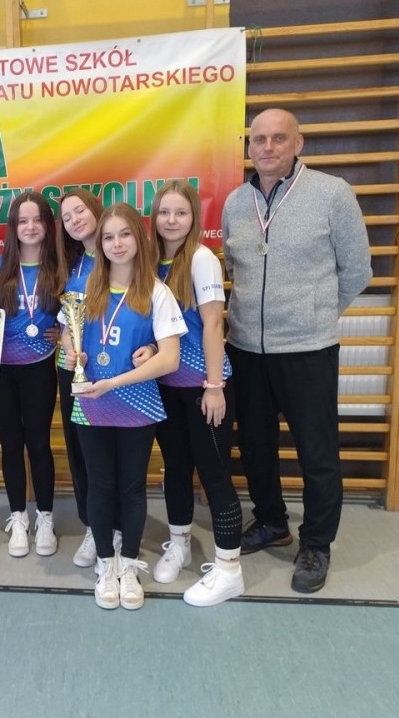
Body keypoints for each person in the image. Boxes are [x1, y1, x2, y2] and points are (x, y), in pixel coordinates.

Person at [221, 108, 372, 594]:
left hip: (308, 348)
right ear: (249, 146)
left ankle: (316, 544)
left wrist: (316, 313)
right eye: (259, 139)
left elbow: (357, 270)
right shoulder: (235, 202)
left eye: (278, 138)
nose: (267, 147)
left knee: (317, 452)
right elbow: (235, 268)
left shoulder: (332, 194)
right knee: (256, 446)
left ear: (298, 143)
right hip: (246, 347)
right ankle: (271, 521)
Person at [60, 202, 186, 611]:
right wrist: (73, 354)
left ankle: (128, 565)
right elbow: (67, 336)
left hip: (136, 403)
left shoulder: (156, 292)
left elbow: (170, 359)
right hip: (91, 404)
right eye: (109, 237)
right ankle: (105, 562)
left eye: (125, 234)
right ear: (99, 243)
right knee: (100, 484)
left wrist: (115, 382)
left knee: (132, 487)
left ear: (139, 239)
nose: (117, 244)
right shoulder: (85, 290)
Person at [141, 180, 244, 607]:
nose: (171, 220)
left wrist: (215, 386)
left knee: (215, 474)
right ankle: (179, 543)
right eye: (164, 212)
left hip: (204, 388)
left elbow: (214, 324)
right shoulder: (150, 261)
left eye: (180, 212)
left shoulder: (201, 259)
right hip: (166, 386)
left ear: (193, 218)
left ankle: (229, 569)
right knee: (176, 469)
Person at [0, 191, 61, 558]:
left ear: (48, 225)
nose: (30, 227)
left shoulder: (60, 267)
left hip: (40, 367)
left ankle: (45, 516)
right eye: (22, 220)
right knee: (11, 444)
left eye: (37, 219)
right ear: (13, 226)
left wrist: (65, 332)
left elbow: (76, 313)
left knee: (39, 444)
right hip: (0, 371)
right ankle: (18, 516)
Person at [54, 188, 107, 567]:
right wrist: (68, 347)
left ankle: (118, 527)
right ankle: (93, 526)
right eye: (67, 217)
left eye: (80, 211)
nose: (74, 220)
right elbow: (65, 322)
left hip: (114, 370)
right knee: (80, 451)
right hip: (72, 368)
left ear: (96, 209)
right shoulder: (72, 265)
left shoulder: (121, 253)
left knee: (110, 451)